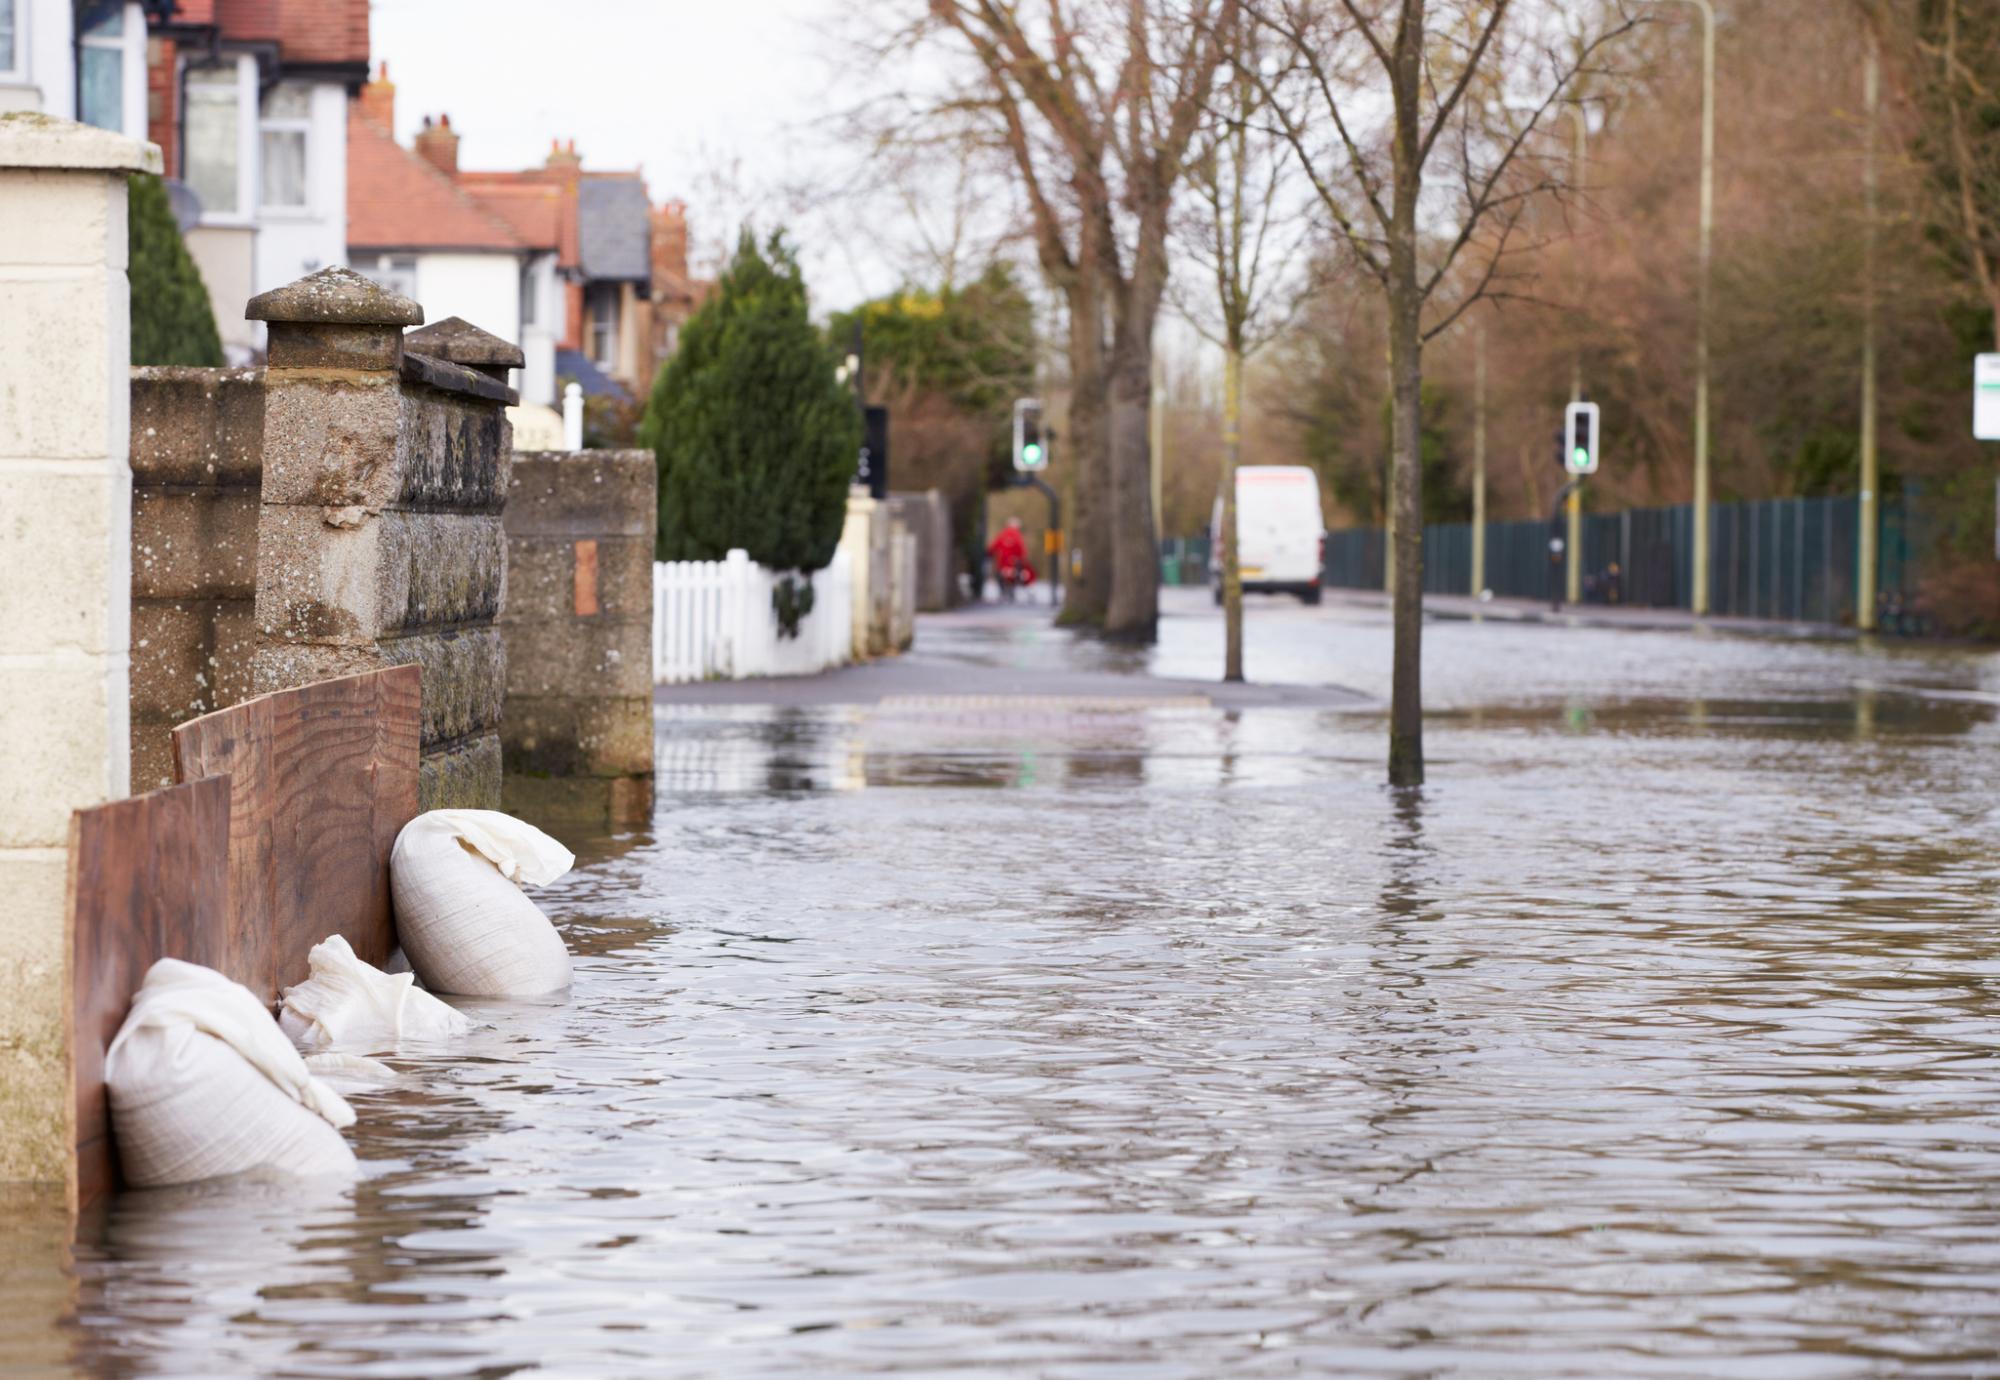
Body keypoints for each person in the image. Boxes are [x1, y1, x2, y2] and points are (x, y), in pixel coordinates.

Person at [986, 518, 1035, 601]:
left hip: (1002, 562)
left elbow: (994, 545)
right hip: (1014, 562)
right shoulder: (1017, 535)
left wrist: (989, 553)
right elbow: (1022, 549)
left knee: (1001, 575)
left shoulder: (1003, 534)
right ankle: (1011, 591)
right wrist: (1023, 560)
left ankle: (1003, 592)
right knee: (1015, 576)